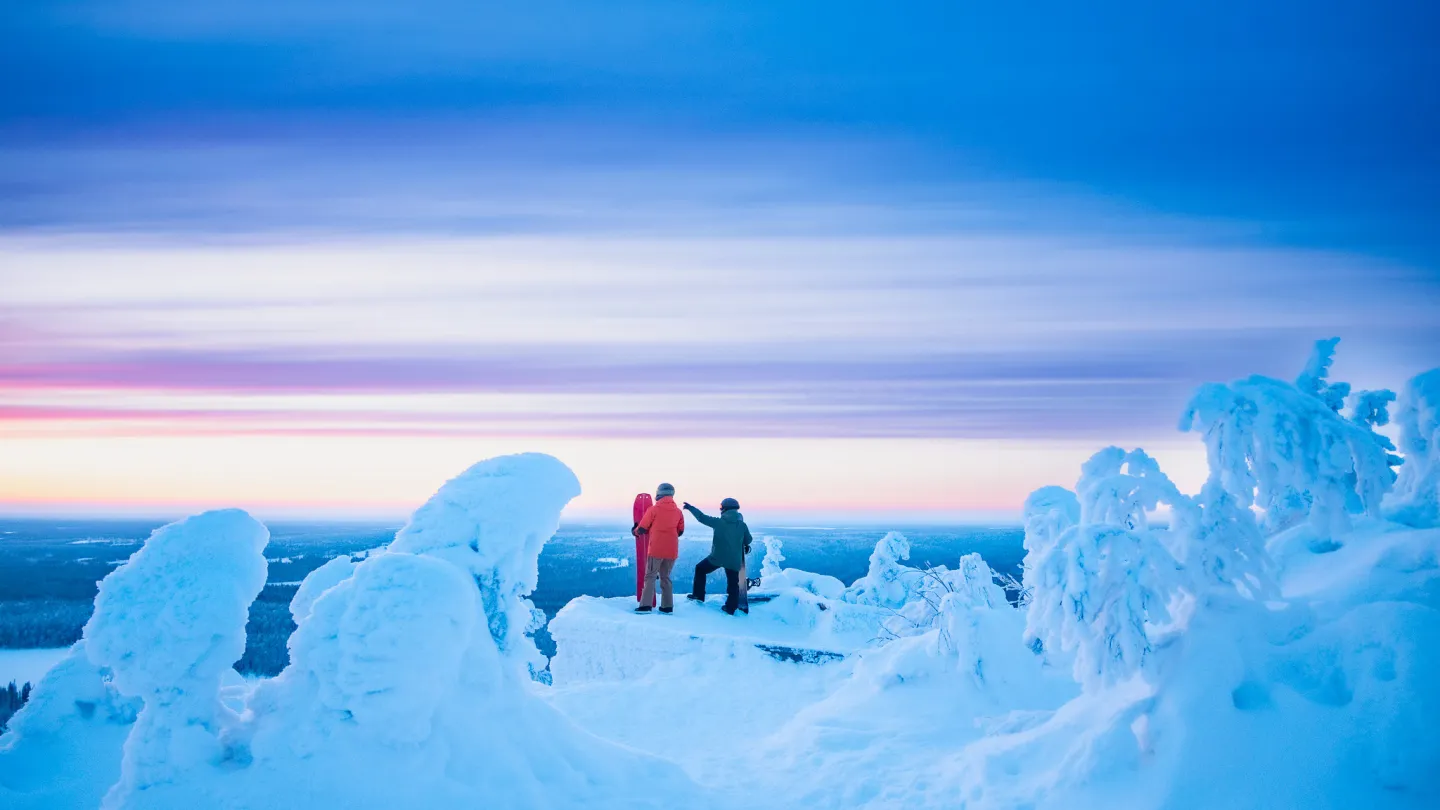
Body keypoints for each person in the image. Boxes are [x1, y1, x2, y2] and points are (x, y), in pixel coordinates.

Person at [683, 497, 752, 615]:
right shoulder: (742, 525)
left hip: (717, 558)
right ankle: (731, 608)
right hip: (734, 560)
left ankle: (698, 596)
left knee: (700, 569)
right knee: (733, 584)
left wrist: (690, 508)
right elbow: (748, 539)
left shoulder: (718, 522)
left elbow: (701, 517)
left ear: (724, 509)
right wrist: (744, 544)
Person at [635, 483, 684, 613]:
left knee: (650, 577)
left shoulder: (653, 509)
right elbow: (680, 531)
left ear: (659, 493)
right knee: (665, 578)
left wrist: (635, 531)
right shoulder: (678, 512)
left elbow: (642, 528)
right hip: (672, 550)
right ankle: (667, 607)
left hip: (656, 549)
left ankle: (645, 606)